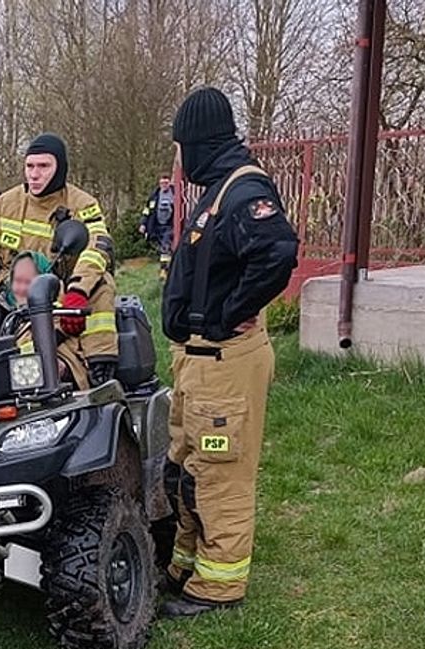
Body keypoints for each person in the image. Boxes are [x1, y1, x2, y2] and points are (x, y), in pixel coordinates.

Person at [159, 87, 297, 618]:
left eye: (179, 146)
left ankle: (219, 587)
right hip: (198, 363)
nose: (177, 158)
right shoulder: (217, 189)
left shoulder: (243, 190)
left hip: (224, 360)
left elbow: (278, 252)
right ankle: (187, 564)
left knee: (220, 472)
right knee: (188, 467)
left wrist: (225, 314)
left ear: (197, 142)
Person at [0, 133, 119, 386]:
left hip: (59, 291)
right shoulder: (6, 203)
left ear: (60, 167)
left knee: (101, 285)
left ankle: (99, 363)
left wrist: (77, 292)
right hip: (11, 289)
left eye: (43, 166)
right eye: (30, 166)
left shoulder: (82, 204)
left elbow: (97, 248)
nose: (34, 174)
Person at [140, 173, 176, 279]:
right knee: (162, 248)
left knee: (165, 246)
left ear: (169, 183)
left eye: (166, 183)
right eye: (162, 183)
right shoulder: (154, 196)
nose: (164, 185)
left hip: (170, 226)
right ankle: (168, 268)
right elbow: (147, 211)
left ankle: (164, 270)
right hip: (156, 226)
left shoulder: (175, 194)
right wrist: (143, 224)